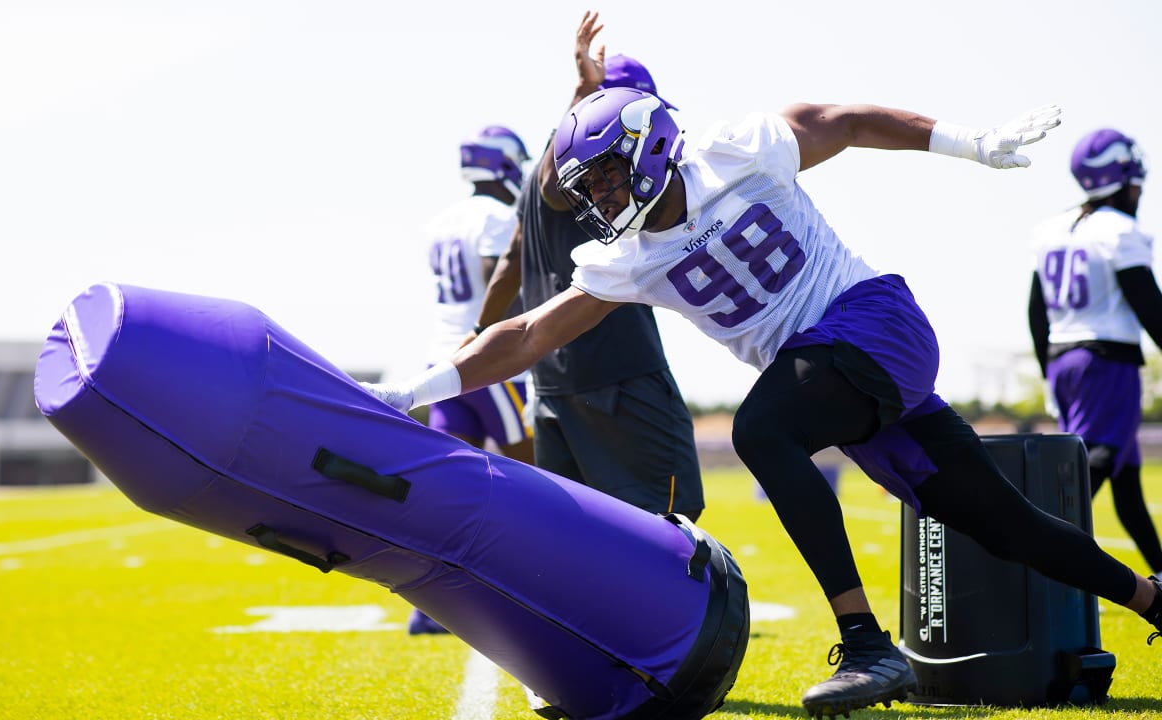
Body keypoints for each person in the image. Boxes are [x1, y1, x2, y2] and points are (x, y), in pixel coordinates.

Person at [363, 82, 1162, 715]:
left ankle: (864, 642)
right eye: (591, 187)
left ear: (648, 147)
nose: (602, 199)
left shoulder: (732, 153)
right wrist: (415, 389)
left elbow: (840, 120)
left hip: (873, 322)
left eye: (607, 174)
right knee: (1002, 523)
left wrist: (968, 144)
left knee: (762, 430)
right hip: (834, 379)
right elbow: (528, 335)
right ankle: (1154, 598)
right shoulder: (629, 258)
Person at [471, 12, 703, 521]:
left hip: (555, 382)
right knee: (669, 523)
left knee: (575, 537)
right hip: (616, 377)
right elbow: (557, 192)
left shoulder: (540, 174)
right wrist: (584, 91)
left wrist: (482, 331)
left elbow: (512, 259)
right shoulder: (571, 171)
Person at [407, 124, 536, 635]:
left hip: (440, 365)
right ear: (505, 165)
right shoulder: (499, 216)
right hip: (487, 363)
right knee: (537, 479)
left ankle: (430, 606)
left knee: (447, 489)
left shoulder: (441, 221)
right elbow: (497, 272)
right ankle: (539, 587)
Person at [1029, 127, 1162, 578]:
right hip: (1107, 361)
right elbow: (1149, 306)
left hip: (1065, 358)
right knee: (1096, 463)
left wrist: (1049, 369)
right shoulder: (1121, 231)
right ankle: (1040, 553)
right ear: (1123, 178)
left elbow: (1035, 311)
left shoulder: (1051, 229)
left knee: (1126, 482)